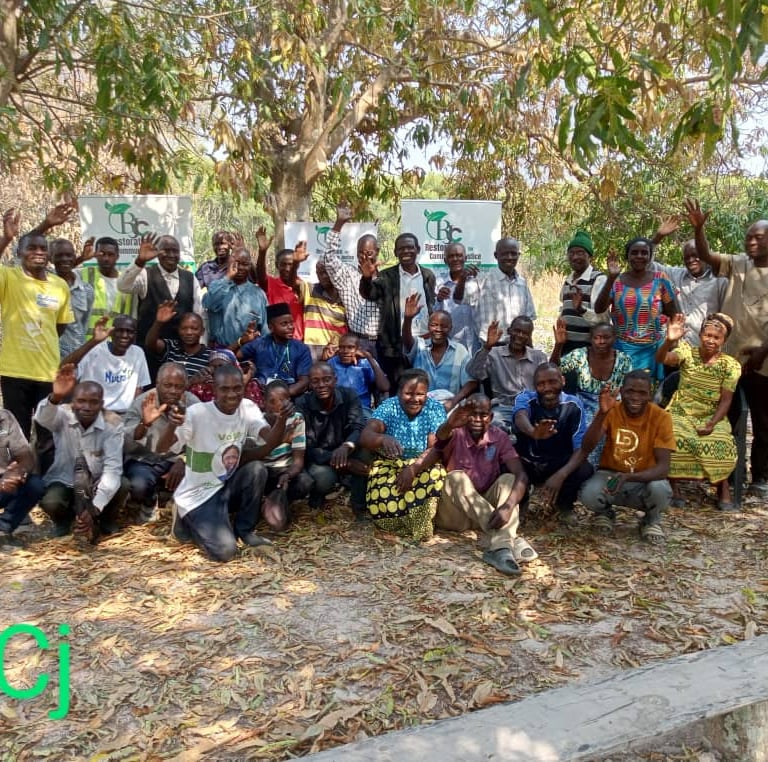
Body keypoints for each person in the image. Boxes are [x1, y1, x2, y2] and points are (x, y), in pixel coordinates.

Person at [158, 364, 292, 562]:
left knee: (257, 469)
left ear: (244, 388)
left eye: (237, 388)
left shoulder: (247, 408)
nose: (232, 394)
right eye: (225, 389)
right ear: (214, 389)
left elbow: (269, 441)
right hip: (199, 493)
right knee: (225, 551)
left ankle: (244, 530)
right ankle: (185, 517)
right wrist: (172, 425)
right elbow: (162, 448)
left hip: (225, 484)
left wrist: (281, 420)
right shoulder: (197, 414)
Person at [685, 198, 768, 498]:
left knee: (762, 422)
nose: (751, 242)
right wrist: (699, 228)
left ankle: (760, 478)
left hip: (763, 363)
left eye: (758, 237)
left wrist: (762, 351)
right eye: (748, 237)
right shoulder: (737, 264)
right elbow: (705, 254)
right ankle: (726, 478)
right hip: (728, 361)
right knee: (728, 420)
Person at [425, 394, 533, 575]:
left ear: (490, 418)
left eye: (482, 415)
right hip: (455, 514)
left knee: (509, 480)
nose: (476, 419)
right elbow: (441, 436)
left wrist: (508, 506)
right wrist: (451, 423)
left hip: (482, 511)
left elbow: (521, 475)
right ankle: (506, 542)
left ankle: (500, 546)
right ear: (464, 415)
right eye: (471, 414)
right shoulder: (455, 432)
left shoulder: (498, 437)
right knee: (456, 477)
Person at [655, 313, 740, 510]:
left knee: (721, 442)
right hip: (681, 411)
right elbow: (662, 359)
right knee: (673, 436)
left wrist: (712, 423)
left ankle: (722, 485)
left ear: (724, 340)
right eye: (707, 335)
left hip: (712, 414)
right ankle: (673, 486)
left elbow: (726, 400)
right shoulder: (687, 352)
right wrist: (669, 341)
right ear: (700, 335)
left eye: (716, 337)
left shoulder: (730, 365)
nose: (711, 340)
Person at [578, 371, 675, 543]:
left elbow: (663, 468)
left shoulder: (662, 417)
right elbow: (587, 446)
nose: (635, 397)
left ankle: (651, 520)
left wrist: (630, 477)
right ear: (621, 391)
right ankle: (604, 513)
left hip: (644, 478)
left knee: (660, 490)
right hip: (611, 475)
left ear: (650, 394)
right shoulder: (611, 409)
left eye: (642, 393)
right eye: (630, 391)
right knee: (589, 494)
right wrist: (601, 413)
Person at [35, 366, 127, 541]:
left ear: (101, 404)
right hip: (66, 479)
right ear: (73, 402)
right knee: (51, 502)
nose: (86, 407)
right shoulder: (62, 414)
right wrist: (56, 397)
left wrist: (95, 507)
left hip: (97, 481)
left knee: (122, 484)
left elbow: (112, 470)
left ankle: (104, 519)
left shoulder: (113, 423)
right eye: (81, 401)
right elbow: (42, 418)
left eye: (93, 402)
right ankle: (65, 521)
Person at [0, 230, 74, 439]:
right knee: (16, 434)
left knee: (48, 435)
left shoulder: (60, 286)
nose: (38, 252)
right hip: (14, 371)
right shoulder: (9, 276)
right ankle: (17, 472)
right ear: (19, 253)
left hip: (48, 372)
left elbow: (59, 326)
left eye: (43, 248)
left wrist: (43, 341)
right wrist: (5, 238)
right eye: (31, 248)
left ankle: (46, 473)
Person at [360, 369, 447, 539]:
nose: (415, 399)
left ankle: (420, 528)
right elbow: (365, 436)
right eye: (408, 393)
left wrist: (413, 469)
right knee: (382, 499)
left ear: (427, 394)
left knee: (433, 477)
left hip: (423, 463)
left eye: (420, 394)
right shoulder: (388, 407)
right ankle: (403, 526)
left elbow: (435, 448)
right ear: (399, 392)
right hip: (391, 464)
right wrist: (382, 439)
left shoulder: (435, 408)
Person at [512, 363, 593, 526]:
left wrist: (561, 474)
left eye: (552, 382)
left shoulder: (574, 405)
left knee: (584, 468)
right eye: (541, 384)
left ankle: (563, 506)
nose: (547, 388)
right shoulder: (526, 398)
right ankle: (521, 503)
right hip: (530, 461)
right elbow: (520, 416)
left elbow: (581, 448)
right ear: (535, 386)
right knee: (507, 464)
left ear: (563, 381)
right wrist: (533, 432)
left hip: (557, 463)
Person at [123, 362, 200, 523]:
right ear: (157, 384)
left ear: (185, 386)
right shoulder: (143, 402)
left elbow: (203, 441)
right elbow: (126, 443)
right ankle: (150, 500)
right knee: (138, 485)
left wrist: (184, 460)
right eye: (167, 385)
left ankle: (178, 504)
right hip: (145, 460)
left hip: (176, 459)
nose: (172, 391)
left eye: (178, 386)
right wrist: (145, 424)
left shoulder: (194, 405)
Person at [593, 238, 677, 381]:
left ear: (650, 257)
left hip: (653, 350)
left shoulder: (661, 279)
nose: (639, 256)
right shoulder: (617, 281)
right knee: (623, 391)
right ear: (627, 257)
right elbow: (599, 308)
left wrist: (672, 343)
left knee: (646, 392)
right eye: (634, 253)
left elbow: (673, 313)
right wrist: (611, 278)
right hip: (623, 350)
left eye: (644, 253)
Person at [359, 232, 437, 388]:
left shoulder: (428, 275)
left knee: (423, 388)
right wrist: (366, 278)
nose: (406, 251)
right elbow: (370, 294)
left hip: (423, 344)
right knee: (399, 390)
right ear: (395, 252)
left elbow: (430, 305)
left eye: (410, 248)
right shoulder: (387, 276)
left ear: (418, 249)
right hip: (396, 347)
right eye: (401, 249)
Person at [551, 319, 633, 465]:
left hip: (613, 404)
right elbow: (553, 370)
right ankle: (585, 467)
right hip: (584, 403)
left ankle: (606, 467)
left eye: (606, 337)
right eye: (596, 337)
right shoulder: (580, 355)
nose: (601, 342)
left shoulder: (624, 360)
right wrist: (558, 345)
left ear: (614, 338)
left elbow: (628, 389)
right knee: (586, 428)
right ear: (590, 339)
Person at [296, 362, 367, 514]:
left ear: (335, 380)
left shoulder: (349, 395)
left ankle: (359, 504)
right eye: (315, 381)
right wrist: (345, 463)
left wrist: (346, 446)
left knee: (365, 456)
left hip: (345, 448)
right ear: (309, 383)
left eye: (326, 379)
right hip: (321, 456)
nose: (321, 385)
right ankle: (318, 495)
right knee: (324, 479)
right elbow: (306, 447)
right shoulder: (302, 404)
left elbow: (358, 426)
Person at [117, 233, 203, 351]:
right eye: (166, 251)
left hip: (181, 351)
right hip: (148, 348)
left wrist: (200, 346)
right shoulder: (145, 274)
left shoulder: (190, 278)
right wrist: (139, 261)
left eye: (175, 251)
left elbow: (198, 313)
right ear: (157, 253)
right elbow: (123, 286)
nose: (171, 255)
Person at [246, 380, 312, 531]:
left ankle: (277, 500)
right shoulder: (255, 421)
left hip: (283, 471)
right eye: (272, 401)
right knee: (257, 471)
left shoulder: (296, 419)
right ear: (264, 403)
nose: (278, 405)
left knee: (305, 481)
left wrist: (288, 475)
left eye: (283, 400)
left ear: (289, 402)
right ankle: (263, 502)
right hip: (264, 473)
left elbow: (297, 461)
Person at [467, 316, 548, 431]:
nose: (520, 336)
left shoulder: (539, 357)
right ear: (509, 331)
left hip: (532, 406)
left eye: (525, 333)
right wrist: (487, 346)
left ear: (529, 337)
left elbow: (549, 383)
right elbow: (474, 372)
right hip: (504, 407)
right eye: (517, 331)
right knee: (494, 425)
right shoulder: (493, 354)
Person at [322, 204, 381, 356]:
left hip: (383, 343)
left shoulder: (387, 277)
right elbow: (328, 259)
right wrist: (338, 224)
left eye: (369, 253)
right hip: (358, 342)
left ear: (377, 252)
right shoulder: (347, 275)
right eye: (360, 253)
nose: (365, 257)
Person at [64, 315, 151, 415]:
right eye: (120, 330)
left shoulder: (137, 353)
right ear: (112, 332)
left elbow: (138, 388)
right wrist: (94, 341)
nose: (124, 335)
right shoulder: (94, 349)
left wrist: (132, 415)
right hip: (94, 413)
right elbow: (64, 368)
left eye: (129, 332)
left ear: (135, 335)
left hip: (123, 414)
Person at [402, 294, 476, 410]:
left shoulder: (460, 350)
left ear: (450, 328)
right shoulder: (420, 346)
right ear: (428, 327)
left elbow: (470, 382)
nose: (438, 329)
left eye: (443, 326)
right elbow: (407, 341)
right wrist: (408, 319)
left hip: (450, 406)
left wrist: (453, 402)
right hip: (420, 405)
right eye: (434, 325)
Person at [654, 239, 726, 346]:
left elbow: (725, 317)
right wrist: (657, 238)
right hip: (678, 346)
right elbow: (648, 264)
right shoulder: (676, 274)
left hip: (705, 347)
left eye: (695, 255)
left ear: (706, 255)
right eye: (686, 257)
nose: (691, 260)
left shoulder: (720, 281)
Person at [239, 302, 312, 398]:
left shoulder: (301, 349)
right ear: (271, 327)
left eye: (291, 323)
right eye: (284, 324)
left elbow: (304, 381)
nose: (291, 327)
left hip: (288, 398)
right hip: (260, 395)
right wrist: (240, 341)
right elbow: (231, 355)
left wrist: (280, 396)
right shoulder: (260, 343)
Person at [475, 237, 536, 344]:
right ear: (496, 255)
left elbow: (528, 317)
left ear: (519, 255)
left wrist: (530, 346)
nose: (509, 257)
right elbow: (459, 299)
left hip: (517, 346)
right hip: (491, 347)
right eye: (504, 254)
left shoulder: (522, 283)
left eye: (513, 253)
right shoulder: (482, 280)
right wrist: (462, 278)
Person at [203, 247, 268, 347]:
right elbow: (210, 304)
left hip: (250, 352)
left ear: (250, 266)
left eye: (245, 264)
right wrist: (228, 278)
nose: (240, 268)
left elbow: (265, 329)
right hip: (222, 352)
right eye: (236, 263)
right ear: (229, 263)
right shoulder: (217, 286)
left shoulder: (258, 294)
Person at [558, 231, 609, 354]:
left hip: (588, 349)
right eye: (572, 253)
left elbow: (603, 319)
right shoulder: (568, 280)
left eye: (580, 253)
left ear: (590, 257)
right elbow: (565, 310)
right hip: (566, 346)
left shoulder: (598, 279)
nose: (575, 257)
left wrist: (582, 310)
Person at [0, 408, 45, 547]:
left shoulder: (5, 417)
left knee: (34, 485)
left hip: (5, 481)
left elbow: (25, 456)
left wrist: (19, 472)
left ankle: (3, 528)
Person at [254, 227, 308, 339]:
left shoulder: (302, 285)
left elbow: (294, 284)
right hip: (275, 340)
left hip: (297, 341)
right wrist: (262, 252)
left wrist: (296, 263)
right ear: (277, 265)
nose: (287, 268)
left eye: (291, 264)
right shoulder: (271, 283)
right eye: (283, 264)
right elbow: (260, 274)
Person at [51, 238, 95, 358]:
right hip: (48, 354)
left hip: (75, 355)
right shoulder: (44, 285)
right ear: (51, 258)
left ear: (74, 256)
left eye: (69, 255)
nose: (64, 259)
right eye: (59, 255)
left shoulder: (86, 290)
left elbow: (84, 324)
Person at [80, 237, 135, 332]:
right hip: (89, 342)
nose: (106, 258)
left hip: (116, 343)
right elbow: (60, 275)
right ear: (95, 255)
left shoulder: (126, 281)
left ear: (117, 256)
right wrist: (81, 259)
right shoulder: (83, 274)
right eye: (102, 254)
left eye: (110, 255)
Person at [327, 333, 389, 417]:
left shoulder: (365, 363)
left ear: (358, 349)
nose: (345, 351)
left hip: (361, 409)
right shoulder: (332, 363)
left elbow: (385, 387)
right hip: (338, 408)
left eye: (350, 347)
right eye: (342, 347)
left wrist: (369, 357)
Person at [435, 242, 481, 355]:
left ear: (465, 258)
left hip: (476, 343)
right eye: (451, 256)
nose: (455, 259)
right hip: (450, 344)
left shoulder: (477, 280)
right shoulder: (439, 282)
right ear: (445, 260)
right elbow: (433, 314)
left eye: (459, 255)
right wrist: (439, 299)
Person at [145, 303, 212, 381]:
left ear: (202, 331)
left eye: (194, 328)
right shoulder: (171, 347)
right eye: (184, 328)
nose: (189, 332)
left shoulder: (210, 355)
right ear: (178, 330)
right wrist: (159, 322)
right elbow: (150, 343)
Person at [302, 261, 348, 361]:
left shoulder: (346, 296)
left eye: (327, 272)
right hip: (313, 351)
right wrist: (296, 262)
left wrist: (337, 345)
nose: (323, 276)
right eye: (319, 273)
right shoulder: (310, 289)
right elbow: (291, 281)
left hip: (336, 351)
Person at [187, 349, 264, 407]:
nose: (218, 370)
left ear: (233, 366)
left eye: (221, 366)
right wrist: (192, 381)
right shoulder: (204, 387)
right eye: (214, 367)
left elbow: (253, 409)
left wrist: (243, 384)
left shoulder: (251, 385)